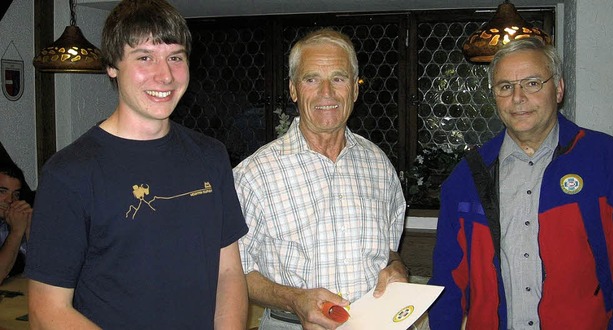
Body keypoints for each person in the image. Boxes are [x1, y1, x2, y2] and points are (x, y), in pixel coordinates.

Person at [24, 0, 249, 329]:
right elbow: (47, 309)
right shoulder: (69, 173)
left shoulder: (211, 156)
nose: (166, 75)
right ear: (112, 66)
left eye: (175, 57)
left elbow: (228, 272)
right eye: (145, 57)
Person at [428, 37, 613, 329]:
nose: (518, 97)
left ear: (559, 89)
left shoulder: (610, 162)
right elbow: (447, 279)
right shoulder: (466, 177)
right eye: (505, 87)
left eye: (532, 83)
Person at [233, 28, 408, 330]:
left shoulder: (379, 165)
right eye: (311, 79)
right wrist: (294, 300)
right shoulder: (253, 175)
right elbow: (235, 272)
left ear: (354, 89)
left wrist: (396, 267)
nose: (326, 92)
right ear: (293, 90)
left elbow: (388, 249)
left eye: (338, 78)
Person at [0, 161, 32, 283]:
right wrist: (17, 232)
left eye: (16, 194)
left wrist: (29, 228)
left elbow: (45, 268)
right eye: (2, 191)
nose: (10, 200)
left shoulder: (9, 221)